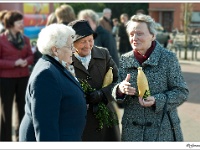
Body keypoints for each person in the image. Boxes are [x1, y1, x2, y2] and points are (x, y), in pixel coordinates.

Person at [112, 14, 189, 141]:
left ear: (153, 36)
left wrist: (157, 100)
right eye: (131, 34)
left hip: (162, 132)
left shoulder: (168, 58)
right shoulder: (125, 59)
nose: (134, 38)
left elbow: (181, 92)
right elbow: (116, 91)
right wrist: (120, 89)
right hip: (132, 133)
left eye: (139, 33)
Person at [19, 23, 87, 141]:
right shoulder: (46, 74)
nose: (73, 51)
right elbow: (46, 127)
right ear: (55, 50)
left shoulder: (54, 66)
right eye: (70, 47)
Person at [68, 20, 120, 141]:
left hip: (106, 119)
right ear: (72, 43)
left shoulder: (103, 54)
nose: (87, 45)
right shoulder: (66, 59)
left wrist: (103, 94)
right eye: (82, 41)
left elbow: (119, 80)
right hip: (81, 120)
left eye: (90, 40)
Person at [0, 10, 34, 141]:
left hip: (23, 77)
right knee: (5, 111)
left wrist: (27, 60)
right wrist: (14, 63)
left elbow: (31, 55)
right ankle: (5, 140)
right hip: (6, 79)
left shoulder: (25, 39)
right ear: (10, 23)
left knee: (23, 109)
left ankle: (22, 137)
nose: (22, 24)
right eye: (19, 21)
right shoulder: (1, 39)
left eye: (22, 21)